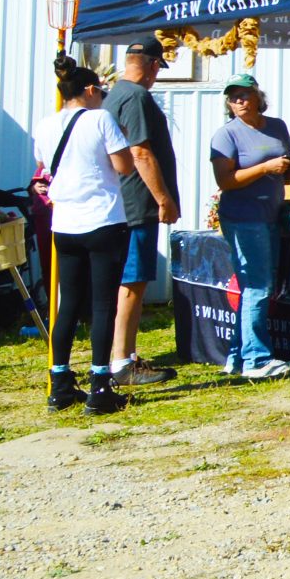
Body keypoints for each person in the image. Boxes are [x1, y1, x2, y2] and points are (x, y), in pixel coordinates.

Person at [36, 63, 135, 413]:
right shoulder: (100, 118)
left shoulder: (46, 124)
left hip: (64, 223)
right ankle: (99, 384)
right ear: (91, 90)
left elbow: (46, 165)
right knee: (103, 304)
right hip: (103, 219)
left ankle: (60, 381)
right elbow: (124, 166)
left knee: (69, 303)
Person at [210, 73, 290, 380]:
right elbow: (225, 181)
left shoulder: (276, 127)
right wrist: (266, 167)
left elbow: (286, 169)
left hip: (271, 214)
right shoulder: (226, 135)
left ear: (257, 97)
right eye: (232, 96)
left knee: (257, 285)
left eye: (243, 94)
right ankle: (257, 360)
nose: (238, 100)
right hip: (242, 217)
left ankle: (238, 356)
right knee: (257, 286)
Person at [105, 37, 183, 388]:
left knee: (125, 282)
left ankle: (119, 355)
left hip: (123, 203)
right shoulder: (136, 96)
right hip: (138, 202)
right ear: (153, 65)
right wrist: (163, 198)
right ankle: (122, 361)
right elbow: (141, 152)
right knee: (132, 284)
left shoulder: (114, 94)